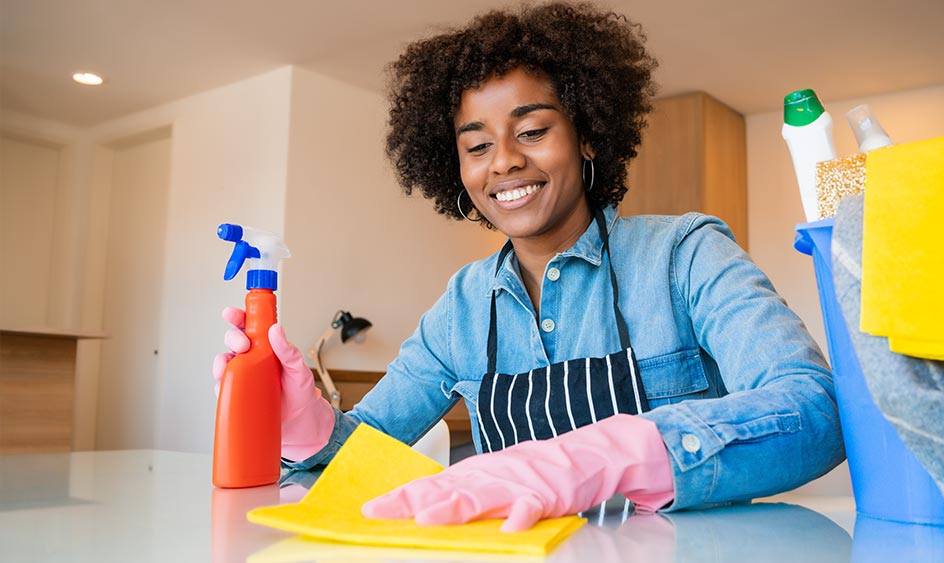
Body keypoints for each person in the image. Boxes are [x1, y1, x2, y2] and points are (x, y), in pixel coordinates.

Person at [214, 2, 845, 532]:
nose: (505, 162)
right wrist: (307, 430)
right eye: (478, 145)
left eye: (534, 130)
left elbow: (816, 411)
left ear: (588, 135)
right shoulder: (461, 308)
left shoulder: (685, 255)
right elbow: (359, 456)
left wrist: (610, 455)